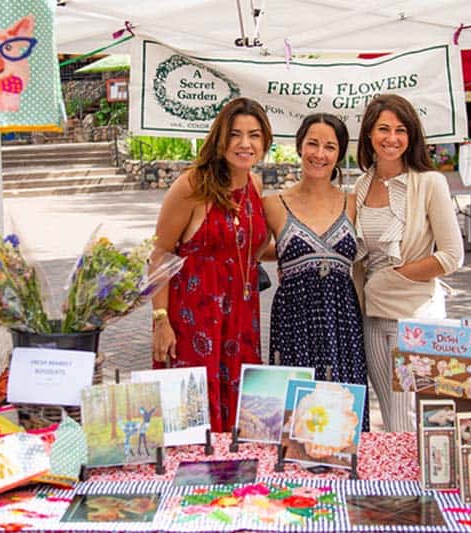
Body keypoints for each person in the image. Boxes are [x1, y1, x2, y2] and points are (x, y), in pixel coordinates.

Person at [150, 97, 272, 433]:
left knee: (240, 420)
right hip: (194, 320)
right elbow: (160, 255)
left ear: (265, 141)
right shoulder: (192, 185)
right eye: (235, 134)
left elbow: (251, 246)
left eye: (254, 135)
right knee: (190, 421)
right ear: (220, 139)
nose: (245, 144)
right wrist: (161, 320)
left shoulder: (254, 186)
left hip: (242, 318)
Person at [353, 94, 463, 432]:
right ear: (369, 134)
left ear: (411, 135)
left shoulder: (430, 183)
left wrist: (390, 277)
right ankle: (398, 484)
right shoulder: (359, 186)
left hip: (415, 318)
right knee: (390, 415)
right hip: (372, 318)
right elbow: (359, 259)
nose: (392, 138)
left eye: (401, 129)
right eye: (383, 128)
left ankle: (419, 485)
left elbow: (451, 256)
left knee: (412, 421)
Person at [263, 113, 370, 431]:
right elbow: (250, 249)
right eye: (312, 143)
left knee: (343, 417)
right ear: (299, 146)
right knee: (298, 417)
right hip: (295, 320)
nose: (319, 154)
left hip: (343, 321)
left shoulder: (353, 202)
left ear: (339, 154)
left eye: (329, 147)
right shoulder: (272, 204)